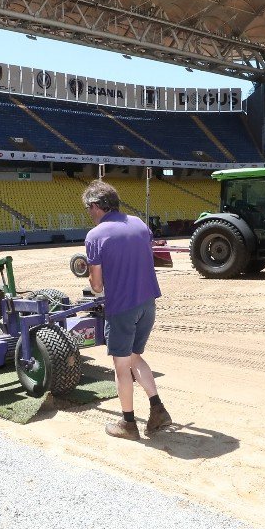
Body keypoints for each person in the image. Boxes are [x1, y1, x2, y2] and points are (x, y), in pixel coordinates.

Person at [83, 180, 171, 440]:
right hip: (147, 303)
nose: (89, 213)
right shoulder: (140, 224)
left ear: (97, 206)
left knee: (121, 367)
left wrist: (94, 281)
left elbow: (97, 285)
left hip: (122, 307)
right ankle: (158, 409)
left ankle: (128, 424)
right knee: (134, 356)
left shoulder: (95, 236)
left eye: (89, 208)